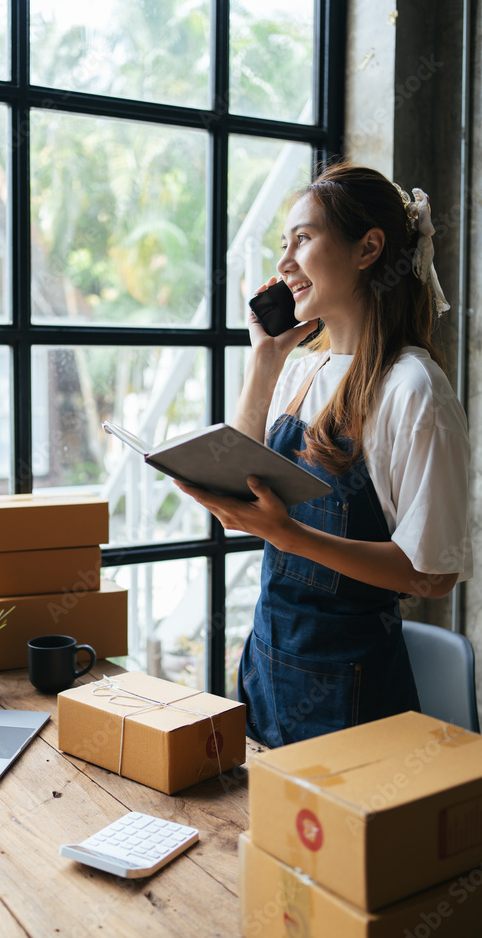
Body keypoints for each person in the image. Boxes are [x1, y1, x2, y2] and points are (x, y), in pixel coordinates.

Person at [175, 161, 473, 748]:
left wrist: (290, 536)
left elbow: (434, 574)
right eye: (282, 244)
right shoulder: (302, 369)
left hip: (353, 696)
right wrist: (264, 360)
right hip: (268, 665)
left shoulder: (414, 388)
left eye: (303, 239)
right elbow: (243, 479)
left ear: (368, 249)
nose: (284, 263)